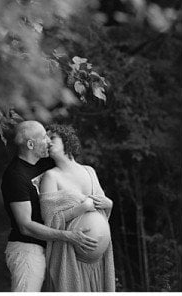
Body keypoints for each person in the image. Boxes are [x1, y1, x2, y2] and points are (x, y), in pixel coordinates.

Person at [0, 120, 99, 291]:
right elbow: (25, 226)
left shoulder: (45, 164)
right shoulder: (15, 176)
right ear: (31, 144)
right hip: (27, 251)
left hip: (54, 249)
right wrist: (68, 236)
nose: (49, 141)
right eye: (44, 137)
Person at [39, 124, 115, 291]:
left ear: (67, 140)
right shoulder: (51, 176)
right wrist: (80, 209)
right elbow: (49, 221)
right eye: (45, 139)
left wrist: (109, 204)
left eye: (52, 138)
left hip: (99, 262)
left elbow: (101, 211)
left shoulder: (89, 171)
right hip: (69, 258)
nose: (47, 142)